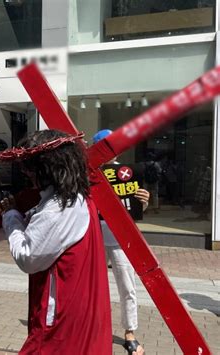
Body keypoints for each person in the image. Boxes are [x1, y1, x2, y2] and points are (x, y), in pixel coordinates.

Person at [0, 130, 112, 353]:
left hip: (61, 314)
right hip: (79, 306)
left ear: (48, 167)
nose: (27, 173)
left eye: (31, 168)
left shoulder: (59, 206)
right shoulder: (73, 197)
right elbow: (35, 223)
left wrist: (10, 216)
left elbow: (28, 257)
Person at [93, 129, 149, 355]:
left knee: (127, 286)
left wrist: (142, 203)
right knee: (92, 288)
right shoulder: (88, 175)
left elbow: (133, 208)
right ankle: (93, 329)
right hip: (93, 237)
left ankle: (130, 332)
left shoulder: (128, 173)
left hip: (120, 238)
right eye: (105, 145)